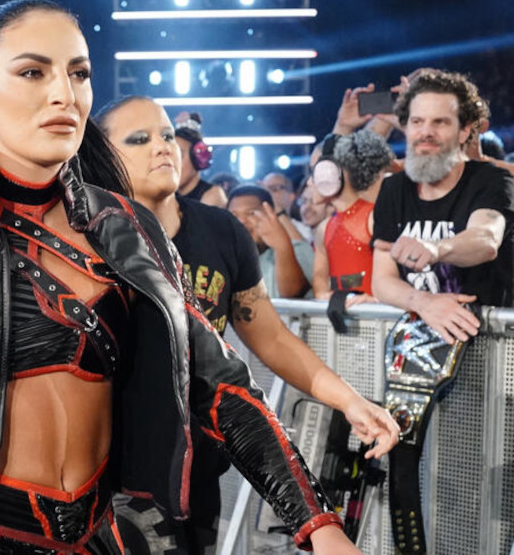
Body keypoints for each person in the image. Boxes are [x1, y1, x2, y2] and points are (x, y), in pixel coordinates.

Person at [0, 0, 360, 555]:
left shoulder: (131, 229)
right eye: (33, 72)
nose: (64, 94)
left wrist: (320, 525)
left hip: (99, 534)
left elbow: (220, 384)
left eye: (78, 73)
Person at [96, 95, 398, 554]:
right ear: (104, 156)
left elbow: (272, 339)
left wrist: (349, 401)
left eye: (166, 135)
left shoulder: (222, 231)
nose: (162, 146)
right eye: (139, 139)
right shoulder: (87, 239)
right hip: (112, 479)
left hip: (200, 467)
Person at [372, 68, 514, 344]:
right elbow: (382, 279)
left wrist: (436, 248)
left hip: (491, 346)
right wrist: (423, 302)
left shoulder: (492, 179)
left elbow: (485, 239)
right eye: (417, 121)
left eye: (440, 122)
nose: (426, 132)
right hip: (419, 348)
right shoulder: (393, 189)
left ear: (464, 131)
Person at [309, 130, 393, 304]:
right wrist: (324, 296)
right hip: (339, 316)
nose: (310, 182)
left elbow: (396, 277)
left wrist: (375, 301)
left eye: (314, 172)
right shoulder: (324, 228)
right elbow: (319, 279)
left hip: (378, 316)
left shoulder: (374, 219)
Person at [227, 185, 314, 298]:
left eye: (250, 213)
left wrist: (281, 246)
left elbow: (293, 292)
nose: (241, 221)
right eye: (234, 215)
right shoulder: (225, 260)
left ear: (271, 214)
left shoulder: (299, 249)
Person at [174, 112, 228, 208]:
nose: (173, 163)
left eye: (179, 156)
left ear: (198, 158)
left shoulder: (213, 195)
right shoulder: (168, 195)